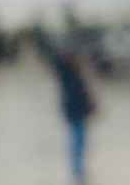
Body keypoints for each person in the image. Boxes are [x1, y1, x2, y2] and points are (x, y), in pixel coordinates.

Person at [38, 31, 97, 185]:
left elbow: (85, 91)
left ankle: (79, 170)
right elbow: (52, 58)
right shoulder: (65, 70)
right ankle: (77, 171)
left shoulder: (74, 71)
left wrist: (92, 105)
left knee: (80, 140)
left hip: (77, 109)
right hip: (73, 109)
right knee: (77, 140)